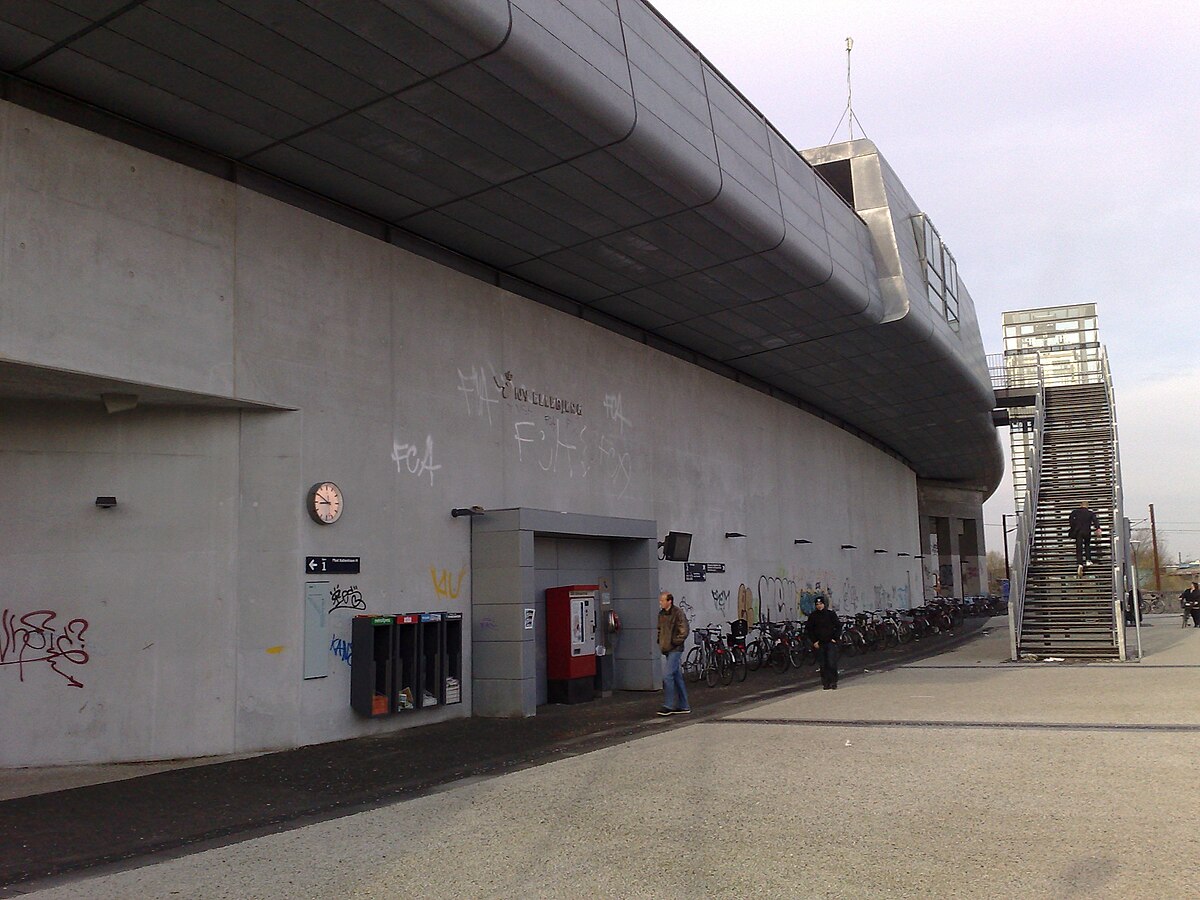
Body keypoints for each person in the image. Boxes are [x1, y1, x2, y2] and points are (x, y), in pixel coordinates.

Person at [656, 591, 690, 716]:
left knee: (667, 676)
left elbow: (684, 630)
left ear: (669, 601)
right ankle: (684, 705)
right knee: (677, 677)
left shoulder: (678, 613)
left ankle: (669, 705)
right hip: (666, 648)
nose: (660, 602)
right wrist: (660, 641)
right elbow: (659, 629)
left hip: (675, 648)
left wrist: (675, 642)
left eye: (662, 600)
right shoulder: (661, 614)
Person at [806, 596, 842, 690]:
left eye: (820, 604)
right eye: (817, 604)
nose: (819, 606)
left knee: (831, 662)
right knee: (823, 664)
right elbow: (809, 630)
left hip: (830, 642)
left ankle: (833, 681)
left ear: (824, 604)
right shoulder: (813, 616)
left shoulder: (831, 614)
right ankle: (826, 683)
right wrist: (814, 641)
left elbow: (838, 626)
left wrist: (835, 638)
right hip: (819, 643)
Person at [1067, 500, 1101, 577]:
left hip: (1078, 532)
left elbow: (1070, 519)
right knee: (1087, 545)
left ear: (1080, 505)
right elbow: (1095, 521)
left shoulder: (1075, 512)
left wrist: (1074, 527)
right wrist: (1098, 528)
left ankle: (1080, 563)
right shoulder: (1090, 513)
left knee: (1079, 547)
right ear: (1087, 506)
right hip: (1087, 531)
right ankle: (1088, 560)